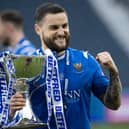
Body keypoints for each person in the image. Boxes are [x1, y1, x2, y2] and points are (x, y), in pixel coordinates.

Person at [10, 3, 122, 129]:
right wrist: (12, 111)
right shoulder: (26, 66)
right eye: (54, 27)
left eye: (64, 26)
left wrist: (113, 72)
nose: (61, 32)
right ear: (38, 29)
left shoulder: (87, 61)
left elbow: (114, 104)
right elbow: (11, 117)